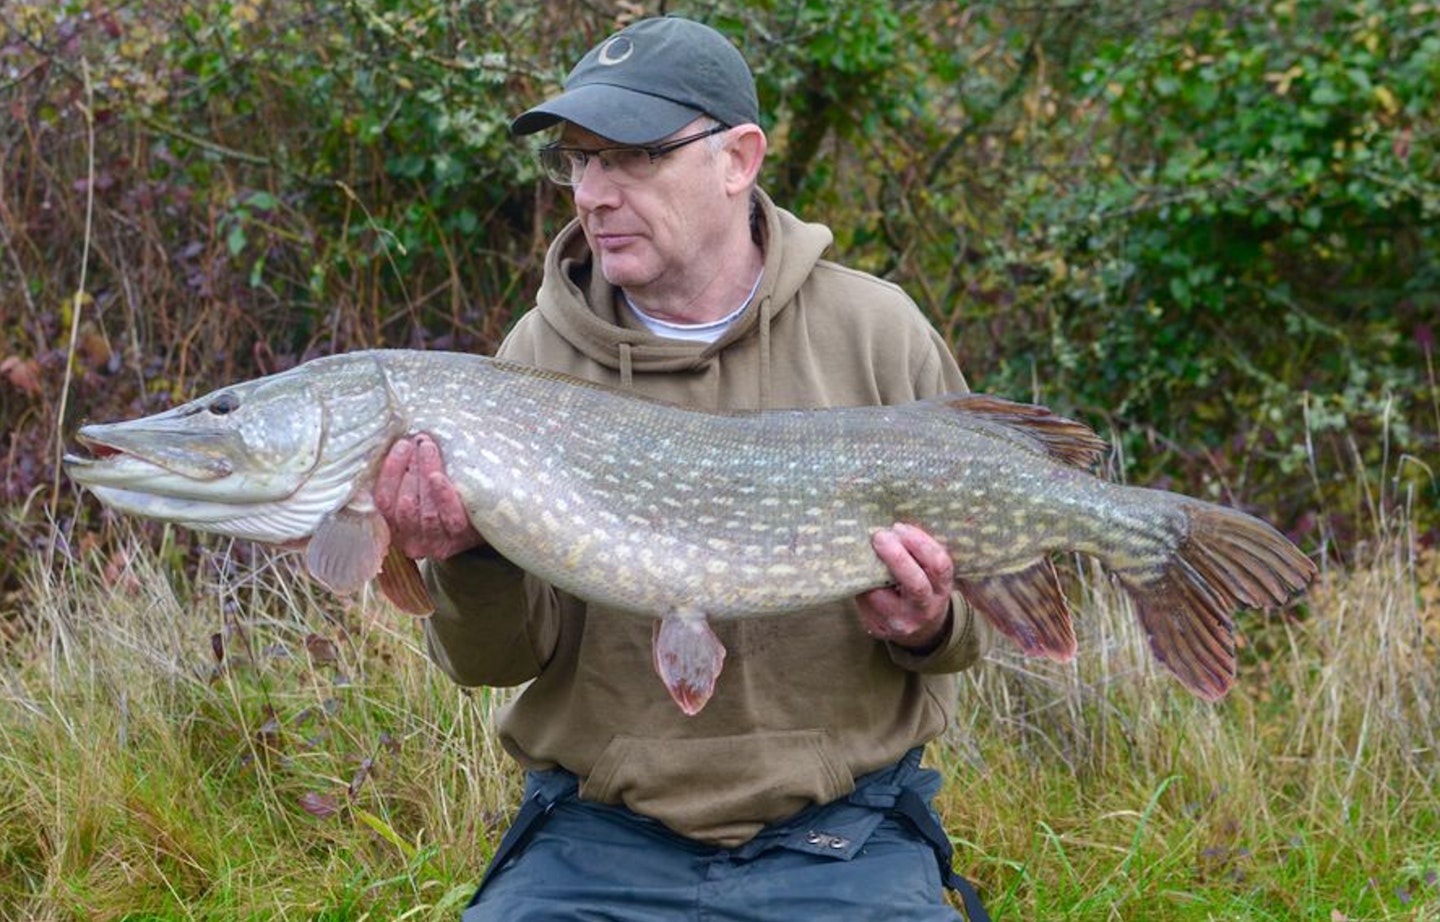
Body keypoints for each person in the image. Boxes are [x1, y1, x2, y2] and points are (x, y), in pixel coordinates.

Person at [373, 15, 992, 921]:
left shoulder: (878, 334)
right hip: (595, 836)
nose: (592, 194)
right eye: (578, 161)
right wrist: (465, 558)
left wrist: (929, 623)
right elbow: (496, 662)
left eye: (631, 157)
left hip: (845, 833)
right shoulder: (533, 361)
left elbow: (984, 619)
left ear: (738, 159)